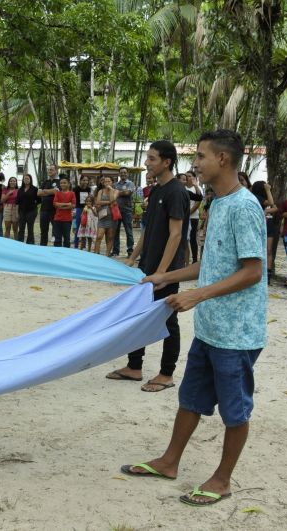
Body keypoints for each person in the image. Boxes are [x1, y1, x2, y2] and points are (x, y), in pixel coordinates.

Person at [121, 129, 267, 508]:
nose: (196, 163)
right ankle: (170, 461)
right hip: (211, 328)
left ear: (223, 159)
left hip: (237, 334)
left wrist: (198, 295)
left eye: (201, 156)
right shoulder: (216, 204)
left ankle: (222, 478)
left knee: (234, 408)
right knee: (190, 398)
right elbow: (213, 264)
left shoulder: (245, 207)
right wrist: (166, 278)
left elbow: (253, 271)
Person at [107, 140, 189, 392]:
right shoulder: (155, 192)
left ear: (167, 162)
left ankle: (166, 374)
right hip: (147, 268)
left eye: (152, 158)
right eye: (147, 157)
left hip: (165, 271)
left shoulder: (176, 192)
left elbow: (176, 235)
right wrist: (133, 259)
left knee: (167, 320)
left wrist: (162, 273)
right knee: (137, 315)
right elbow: (147, 230)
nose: (146, 163)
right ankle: (134, 367)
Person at [250, 181, 278, 280]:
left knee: (268, 250)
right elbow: (271, 204)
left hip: (268, 225)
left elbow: (274, 207)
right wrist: (268, 189)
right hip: (261, 226)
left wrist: (266, 211)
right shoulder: (257, 198)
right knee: (265, 251)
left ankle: (268, 273)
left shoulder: (263, 199)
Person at [112, 167, 136, 257]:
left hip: (127, 211)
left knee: (129, 232)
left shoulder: (131, 183)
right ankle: (115, 251)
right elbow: (115, 194)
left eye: (125, 172)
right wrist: (122, 192)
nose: (123, 174)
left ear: (127, 174)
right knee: (116, 232)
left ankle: (130, 251)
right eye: (121, 172)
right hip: (117, 211)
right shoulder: (115, 185)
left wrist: (117, 193)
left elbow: (128, 193)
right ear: (119, 174)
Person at [93, 176, 117, 255]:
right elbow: (98, 202)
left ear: (112, 182)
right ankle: (96, 253)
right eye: (105, 181)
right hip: (102, 217)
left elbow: (113, 199)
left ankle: (107, 254)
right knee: (99, 236)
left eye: (108, 181)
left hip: (112, 217)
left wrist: (110, 190)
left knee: (110, 237)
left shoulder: (116, 191)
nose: (106, 183)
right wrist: (109, 202)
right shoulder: (100, 191)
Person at [37, 165, 60, 246]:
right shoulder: (45, 182)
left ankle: (56, 248)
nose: (49, 171)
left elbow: (56, 192)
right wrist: (50, 191)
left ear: (56, 171)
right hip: (44, 210)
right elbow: (39, 193)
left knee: (55, 231)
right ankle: (43, 248)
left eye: (51, 169)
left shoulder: (59, 181)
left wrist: (44, 191)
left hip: (54, 210)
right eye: (49, 170)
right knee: (43, 231)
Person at [52, 176, 76, 247]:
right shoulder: (58, 193)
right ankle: (57, 253)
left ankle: (66, 254)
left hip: (67, 219)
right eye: (61, 183)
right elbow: (55, 204)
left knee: (66, 238)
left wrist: (61, 205)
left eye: (64, 183)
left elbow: (73, 205)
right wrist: (67, 204)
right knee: (57, 239)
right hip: (57, 219)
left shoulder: (72, 193)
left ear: (69, 184)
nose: (62, 184)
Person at [16, 173, 40, 244]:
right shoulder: (20, 190)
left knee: (30, 228)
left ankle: (30, 243)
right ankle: (20, 243)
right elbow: (17, 202)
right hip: (21, 211)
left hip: (31, 211)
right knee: (21, 228)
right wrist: (17, 213)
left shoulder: (35, 189)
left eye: (27, 178)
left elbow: (39, 200)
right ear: (23, 180)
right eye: (25, 179)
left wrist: (35, 207)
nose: (26, 180)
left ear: (30, 180)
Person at [185, 173, 203, 263]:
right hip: (183, 217)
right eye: (186, 176)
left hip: (193, 217)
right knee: (184, 240)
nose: (187, 177)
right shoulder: (183, 188)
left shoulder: (197, 188)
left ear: (194, 178)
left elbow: (198, 202)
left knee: (192, 239)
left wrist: (188, 213)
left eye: (189, 176)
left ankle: (195, 259)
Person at [73, 175, 92, 248]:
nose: (85, 182)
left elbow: (90, 199)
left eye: (86, 180)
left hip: (87, 209)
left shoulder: (89, 189)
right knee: (78, 227)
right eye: (83, 180)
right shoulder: (76, 189)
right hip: (78, 209)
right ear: (80, 181)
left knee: (86, 227)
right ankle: (76, 245)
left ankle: (83, 245)